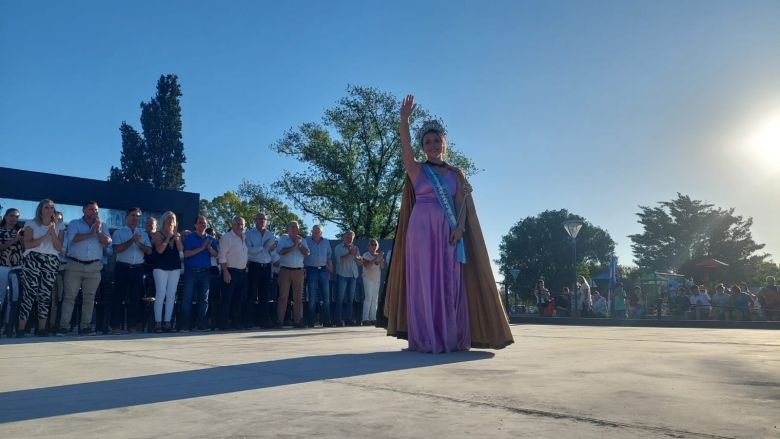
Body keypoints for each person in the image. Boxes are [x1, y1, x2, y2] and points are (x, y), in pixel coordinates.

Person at [381, 95, 513, 352]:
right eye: (427, 141)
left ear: (443, 143)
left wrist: (460, 227)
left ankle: (450, 335)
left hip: (449, 231)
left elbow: (462, 205)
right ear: (423, 146)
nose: (432, 145)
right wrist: (404, 120)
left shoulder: (456, 174)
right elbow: (404, 148)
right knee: (424, 282)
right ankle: (425, 336)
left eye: (436, 140)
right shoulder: (416, 169)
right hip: (420, 231)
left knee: (450, 281)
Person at [60, 201, 112, 335]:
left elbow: (107, 242)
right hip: (74, 265)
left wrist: (98, 231)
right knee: (69, 297)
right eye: (90, 210)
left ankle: (85, 326)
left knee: (89, 297)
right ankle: (64, 326)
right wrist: (92, 233)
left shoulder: (103, 226)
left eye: (95, 210)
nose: (93, 213)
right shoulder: (74, 223)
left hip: (94, 266)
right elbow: (73, 238)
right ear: (83, 210)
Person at [17, 200, 63, 337]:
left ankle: (42, 329)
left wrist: (53, 232)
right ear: (40, 209)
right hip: (33, 259)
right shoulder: (31, 224)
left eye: (52, 207)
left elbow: (59, 248)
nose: (49, 210)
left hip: (51, 260)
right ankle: (21, 328)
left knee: (45, 294)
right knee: (29, 294)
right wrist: (46, 235)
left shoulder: (59, 226)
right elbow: (28, 244)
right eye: (46, 207)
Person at [111, 208, 152, 333]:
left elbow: (149, 251)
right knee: (119, 298)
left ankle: (132, 325)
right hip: (123, 267)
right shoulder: (119, 232)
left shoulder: (143, 234)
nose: (135, 218)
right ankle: (116, 326)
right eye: (133, 215)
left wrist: (139, 243)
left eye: (138, 216)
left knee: (136, 299)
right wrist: (132, 240)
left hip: (138, 269)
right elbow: (117, 249)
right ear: (127, 217)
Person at [179, 215, 218, 331]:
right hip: (191, 272)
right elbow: (186, 254)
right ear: (195, 225)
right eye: (200, 223)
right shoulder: (190, 237)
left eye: (204, 223)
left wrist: (209, 248)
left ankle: (202, 325)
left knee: (203, 299)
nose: (202, 225)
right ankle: (185, 325)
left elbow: (216, 254)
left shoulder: (211, 239)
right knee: (187, 298)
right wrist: (202, 248)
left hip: (205, 272)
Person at [150, 211, 183, 332]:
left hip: (175, 267)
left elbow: (181, 250)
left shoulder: (177, 234)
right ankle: (158, 322)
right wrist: (168, 237)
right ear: (164, 220)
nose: (171, 220)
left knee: (171, 295)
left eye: (173, 218)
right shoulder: (157, 234)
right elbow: (159, 250)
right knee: (161, 293)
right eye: (169, 218)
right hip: (160, 267)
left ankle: (167, 322)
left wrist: (176, 237)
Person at [275, 221, 309, 328]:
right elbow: (280, 252)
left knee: (298, 298)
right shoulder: (283, 239)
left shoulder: (302, 240)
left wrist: (298, 245)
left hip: (299, 271)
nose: (295, 229)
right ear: (288, 229)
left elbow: (307, 253)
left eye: (296, 227)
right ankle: (280, 321)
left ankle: (297, 321)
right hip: (285, 271)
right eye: (293, 227)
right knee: (283, 297)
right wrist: (293, 246)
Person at [245, 212, 276, 328]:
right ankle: (248, 320)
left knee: (265, 295)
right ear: (255, 220)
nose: (262, 221)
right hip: (255, 266)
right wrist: (263, 247)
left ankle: (263, 320)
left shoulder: (271, 235)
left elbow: (272, 252)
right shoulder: (249, 234)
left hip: (266, 267)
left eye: (264, 219)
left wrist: (271, 249)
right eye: (260, 219)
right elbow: (249, 250)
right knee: (252, 294)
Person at [218, 216, 249, 330]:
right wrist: (225, 272)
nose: (240, 226)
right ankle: (223, 323)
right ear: (232, 224)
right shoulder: (227, 237)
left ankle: (235, 322)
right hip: (230, 271)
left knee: (239, 298)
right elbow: (222, 256)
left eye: (242, 224)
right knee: (227, 298)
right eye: (237, 224)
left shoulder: (244, 237)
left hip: (242, 272)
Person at [304, 224, 332, 327]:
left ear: (321, 233)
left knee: (326, 297)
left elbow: (329, 255)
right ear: (311, 231)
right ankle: (311, 321)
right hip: (311, 270)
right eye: (313, 231)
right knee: (311, 297)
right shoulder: (306, 240)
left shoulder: (326, 241)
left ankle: (327, 321)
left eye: (317, 232)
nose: (315, 233)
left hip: (324, 270)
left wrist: (330, 268)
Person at [334, 231, 361, 326]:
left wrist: (358, 260)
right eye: (348, 237)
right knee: (340, 298)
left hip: (353, 276)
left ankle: (348, 319)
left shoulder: (356, 248)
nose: (349, 239)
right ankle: (338, 320)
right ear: (344, 237)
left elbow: (359, 263)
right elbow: (339, 260)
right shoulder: (338, 247)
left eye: (351, 237)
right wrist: (349, 253)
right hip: (342, 275)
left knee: (350, 299)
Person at [0, 208, 24, 311]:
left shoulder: (21, 231)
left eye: (16, 216)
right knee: (1, 294)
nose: (14, 218)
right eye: (11, 216)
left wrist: (22, 239)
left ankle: (9, 323)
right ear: (5, 217)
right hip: (3, 267)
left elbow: (25, 249)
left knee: (14, 296)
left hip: (18, 267)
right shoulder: (0, 231)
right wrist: (14, 240)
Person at [361, 239, 385, 325]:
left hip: (376, 279)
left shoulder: (379, 255)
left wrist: (381, 259)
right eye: (372, 244)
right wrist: (376, 258)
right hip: (367, 278)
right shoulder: (365, 255)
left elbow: (382, 267)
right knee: (368, 298)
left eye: (375, 244)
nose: (374, 246)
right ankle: (365, 319)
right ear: (369, 246)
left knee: (375, 299)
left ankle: (373, 318)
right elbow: (367, 265)